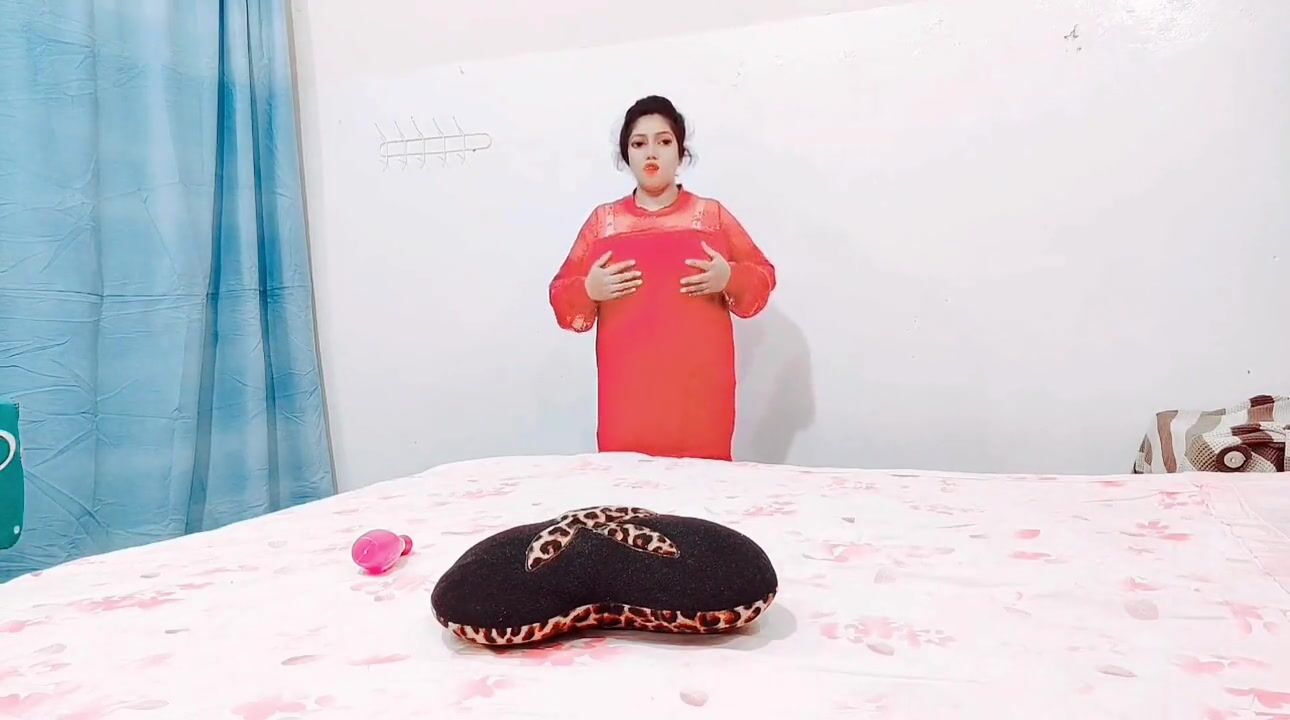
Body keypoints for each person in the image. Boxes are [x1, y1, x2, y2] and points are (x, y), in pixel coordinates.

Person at [548, 95, 776, 462]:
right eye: (639, 144)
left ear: (681, 152)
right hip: (628, 399)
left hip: (700, 397)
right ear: (626, 155)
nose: (651, 153)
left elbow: (763, 277)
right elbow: (561, 296)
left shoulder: (711, 217)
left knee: (702, 489)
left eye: (664, 141)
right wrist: (588, 290)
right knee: (626, 487)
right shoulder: (604, 224)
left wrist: (730, 277)